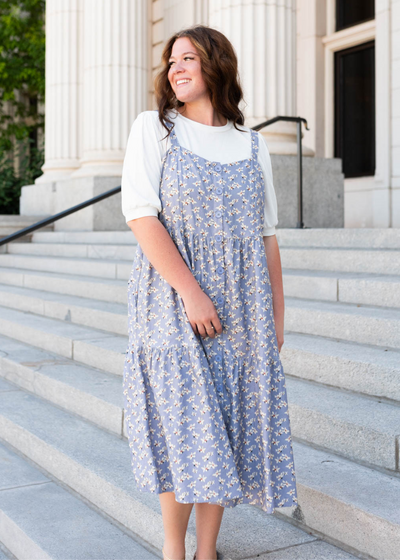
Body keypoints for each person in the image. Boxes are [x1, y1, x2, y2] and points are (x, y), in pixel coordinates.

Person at [121, 24, 298, 560]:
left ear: (216, 65)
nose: (176, 67)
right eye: (171, 60)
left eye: (189, 58)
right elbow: (141, 216)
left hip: (242, 307)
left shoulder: (252, 144)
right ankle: (175, 549)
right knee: (182, 424)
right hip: (171, 298)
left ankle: (207, 552)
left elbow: (267, 237)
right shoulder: (155, 129)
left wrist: (277, 319)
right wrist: (193, 295)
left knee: (222, 421)